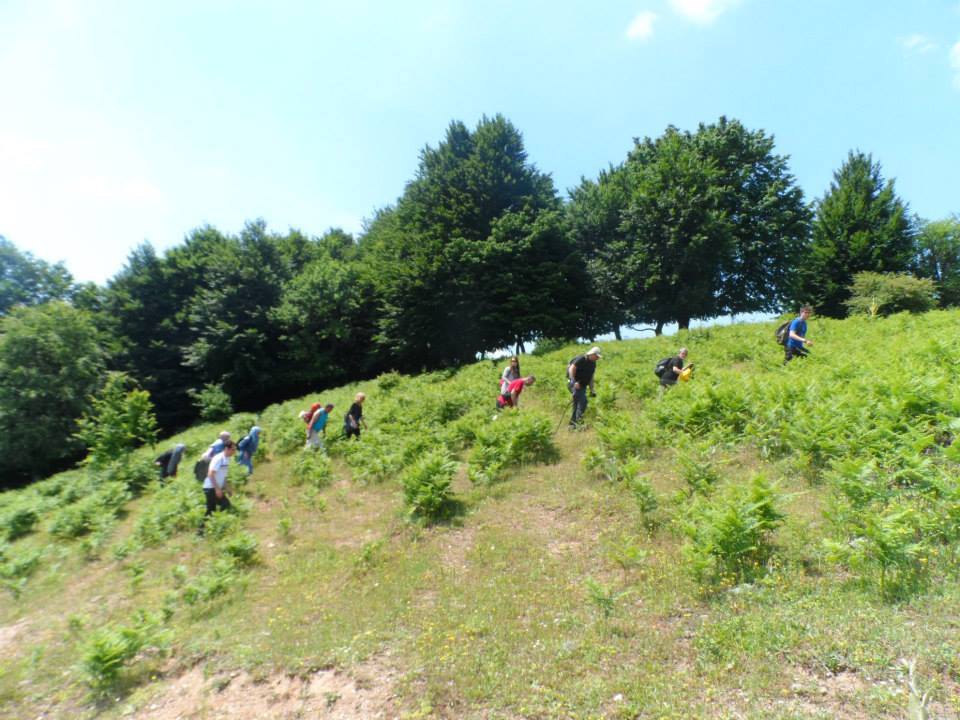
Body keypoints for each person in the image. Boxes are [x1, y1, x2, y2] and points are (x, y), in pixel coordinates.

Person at [201, 440, 236, 529]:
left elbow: (223, 476)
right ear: (226, 449)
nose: (234, 452)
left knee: (213, 509)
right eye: (232, 449)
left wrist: (227, 488)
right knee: (223, 505)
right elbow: (210, 474)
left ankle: (213, 526)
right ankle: (204, 530)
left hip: (215, 487)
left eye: (235, 450)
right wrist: (217, 489)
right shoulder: (219, 458)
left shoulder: (226, 459)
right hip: (210, 488)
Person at [567, 346, 601, 429]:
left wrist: (592, 389)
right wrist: (574, 382)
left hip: (583, 385)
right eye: (596, 356)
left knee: (577, 403)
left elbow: (591, 377)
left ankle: (573, 424)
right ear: (592, 354)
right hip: (575, 384)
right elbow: (571, 369)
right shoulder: (582, 358)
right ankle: (578, 422)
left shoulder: (593, 364)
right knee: (583, 401)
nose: (597, 358)